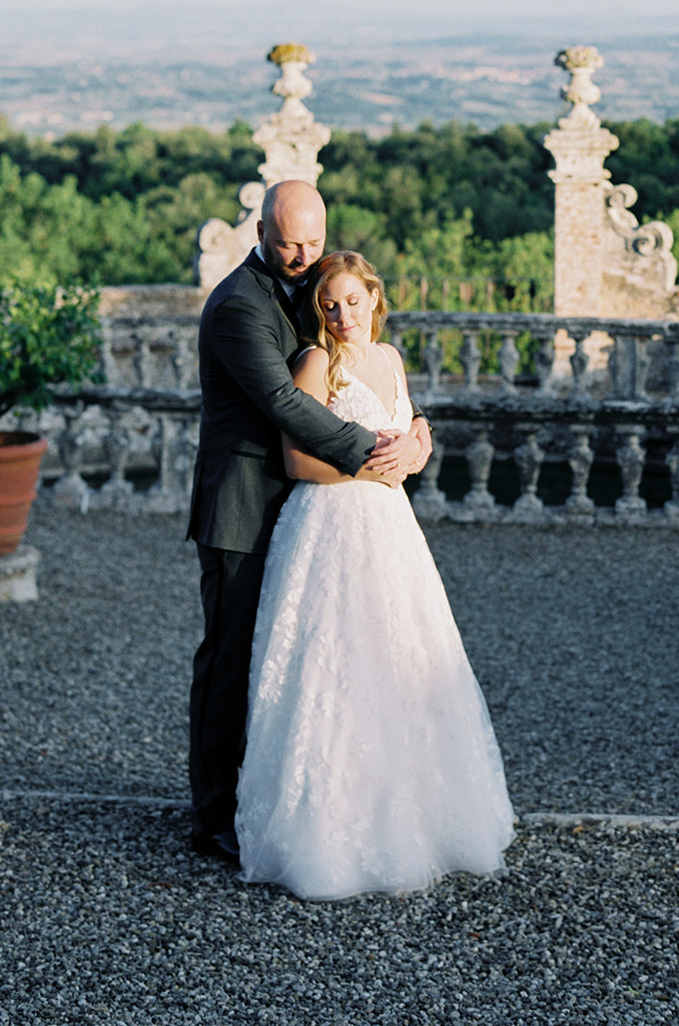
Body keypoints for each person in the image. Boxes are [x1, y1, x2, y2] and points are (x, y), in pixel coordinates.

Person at [235, 251, 514, 900]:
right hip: (328, 525)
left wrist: (419, 443)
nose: (342, 315)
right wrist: (373, 469)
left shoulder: (389, 360)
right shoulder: (313, 363)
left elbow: (408, 435)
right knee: (334, 668)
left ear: (373, 298)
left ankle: (413, 818)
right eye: (329, 304)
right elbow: (298, 463)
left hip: (389, 528)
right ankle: (325, 836)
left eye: (352, 301)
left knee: (401, 659)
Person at [187, 182, 429, 860]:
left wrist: (415, 427)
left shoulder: (311, 288)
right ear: (260, 229)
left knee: (300, 662)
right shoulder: (239, 305)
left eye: (313, 241)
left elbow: (358, 368)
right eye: (288, 241)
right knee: (230, 664)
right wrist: (377, 453)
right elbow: (284, 404)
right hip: (243, 505)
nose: (301, 254)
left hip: (305, 512)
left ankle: (297, 801)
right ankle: (213, 817)